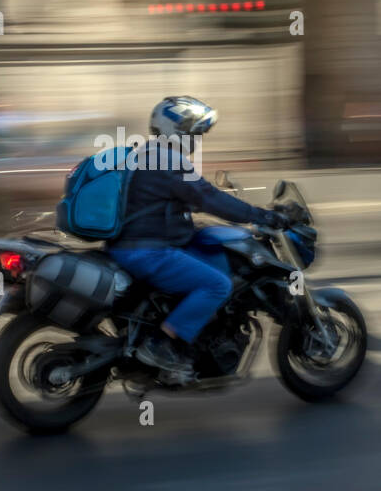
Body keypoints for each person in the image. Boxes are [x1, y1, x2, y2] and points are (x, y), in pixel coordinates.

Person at [107, 97, 291, 383]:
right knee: (217, 284)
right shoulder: (169, 160)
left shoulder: (146, 154)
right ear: (178, 130)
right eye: (195, 132)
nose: (197, 139)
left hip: (132, 246)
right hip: (147, 251)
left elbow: (180, 201)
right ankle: (162, 345)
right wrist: (262, 216)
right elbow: (208, 198)